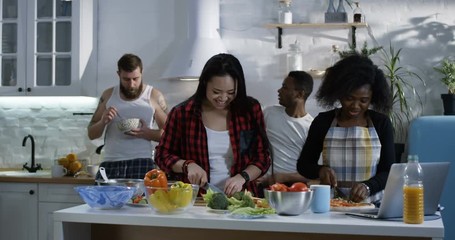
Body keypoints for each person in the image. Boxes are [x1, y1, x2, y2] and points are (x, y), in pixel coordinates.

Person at [154, 53, 271, 197]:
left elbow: (263, 157)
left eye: (230, 92)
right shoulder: (182, 113)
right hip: (195, 199)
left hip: (242, 200)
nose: (223, 98)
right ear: (204, 84)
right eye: (216, 92)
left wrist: (243, 177)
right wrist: (187, 165)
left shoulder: (250, 110)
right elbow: (162, 155)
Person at [296, 54, 395, 203]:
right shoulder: (323, 122)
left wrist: (368, 187)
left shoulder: (381, 123)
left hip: (372, 205)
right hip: (332, 204)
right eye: (349, 98)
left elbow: (389, 171)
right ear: (339, 94)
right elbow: (303, 164)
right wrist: (320, 170)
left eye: (363, 100)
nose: (355, 106)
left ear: (373, 98)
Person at [87, 53, 168, 180]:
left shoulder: (154, 96)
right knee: (102, 200)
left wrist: (147, 133)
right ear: (118, 74)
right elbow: (92, 134)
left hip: (142, 163)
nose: (131, 84)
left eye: (135, 78)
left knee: (141, 200)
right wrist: (103, 121)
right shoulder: (108, 95)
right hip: (110, 163)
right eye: (126, 79)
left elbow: (171, 136)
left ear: (142, 72)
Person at [258, 71, 314, 188]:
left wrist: (284, 177)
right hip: (263, 185)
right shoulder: (269, 113)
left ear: (300, 94)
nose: (279, 91)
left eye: (284, 87)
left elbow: (315, 173)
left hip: (293, 188)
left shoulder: (311, 127)